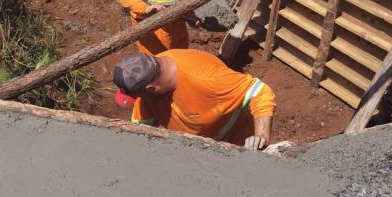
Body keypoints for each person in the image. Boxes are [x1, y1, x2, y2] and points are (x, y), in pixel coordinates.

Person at [113, 50, 275, 149]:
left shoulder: (207, 80)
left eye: (139, 96)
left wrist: (261, 136)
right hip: (196, 148)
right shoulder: (151, 71)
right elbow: (142, 127)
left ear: (151, 89)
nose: (140, 100)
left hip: (234, 145)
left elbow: (260, 91)